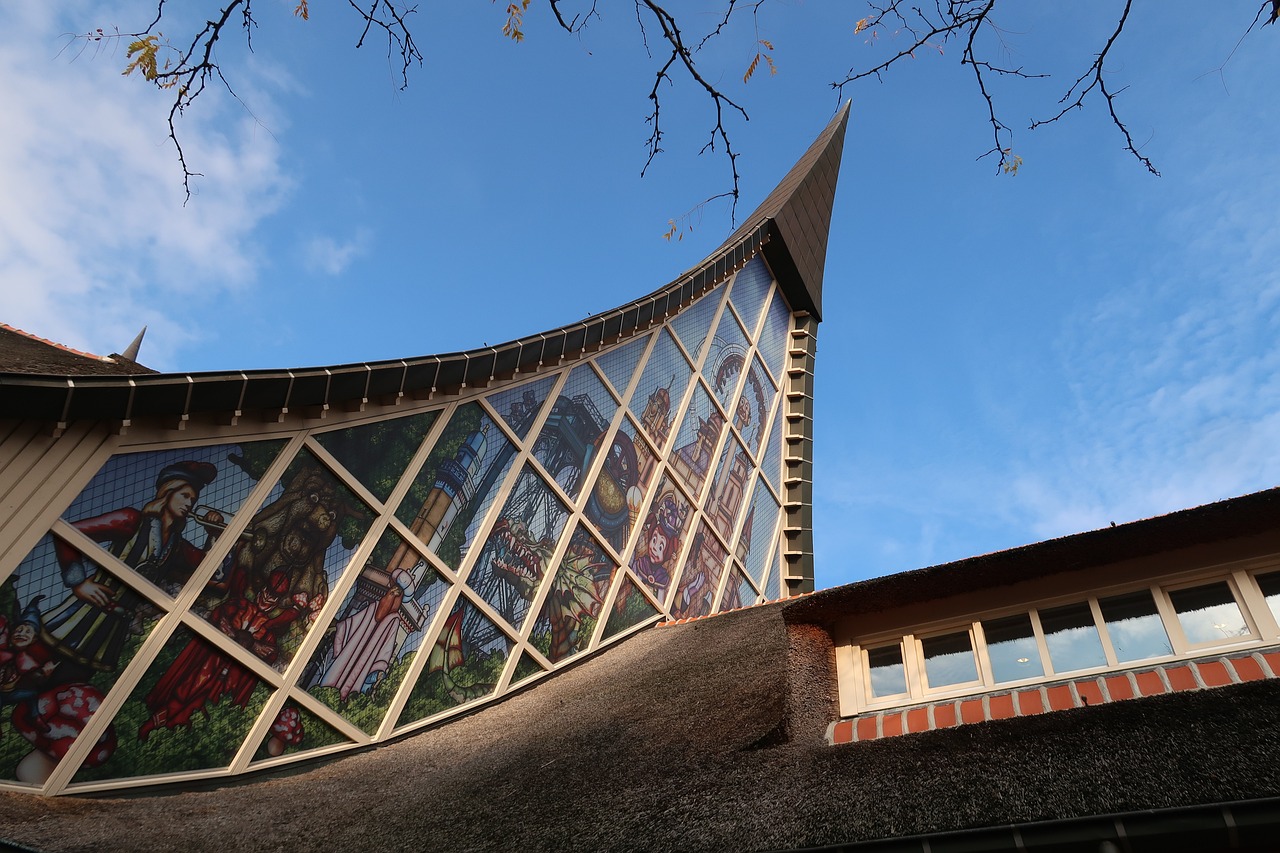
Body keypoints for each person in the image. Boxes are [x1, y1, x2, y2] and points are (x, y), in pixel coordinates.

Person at [45, 461, 222, 674]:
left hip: (112, 630)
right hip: (81, 614)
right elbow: (70, 533)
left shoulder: (176, 545)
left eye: (193, 500)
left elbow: (212, 574)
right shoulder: (132, 520)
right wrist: (78, 583)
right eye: (185, 496)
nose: (190, 504)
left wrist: (214, 533)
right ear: (168, 491)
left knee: (74, 679)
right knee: (37, 669)